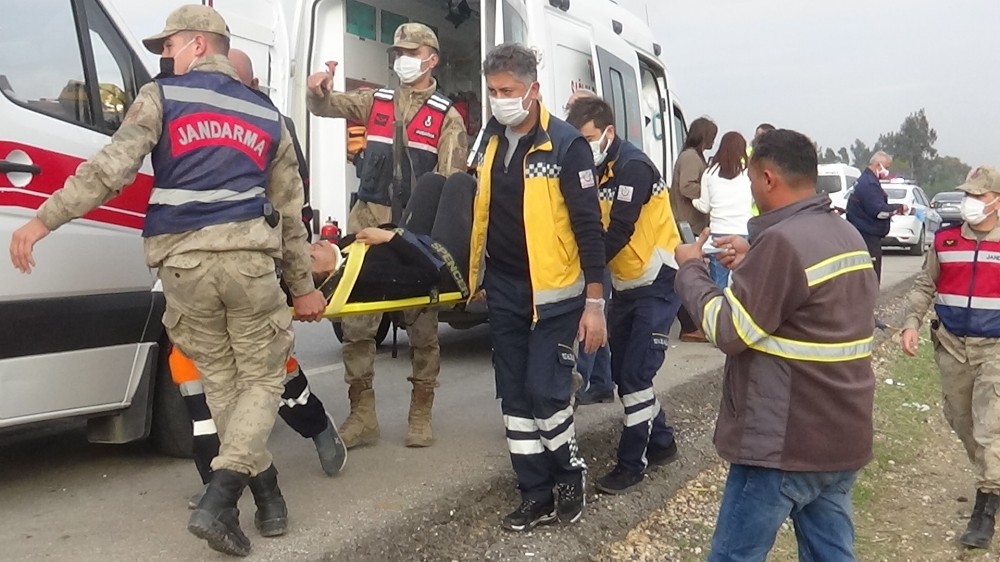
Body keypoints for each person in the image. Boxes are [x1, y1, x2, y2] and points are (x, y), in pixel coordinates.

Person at [8, 5, 327, 557]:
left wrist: (43, 220)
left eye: (170, 46)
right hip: (249, 264)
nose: (164, 56)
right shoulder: (268, 116)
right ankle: (220, 499)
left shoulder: (162, 97)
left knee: (225, 387)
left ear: (199, 45)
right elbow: (290, 215)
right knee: (261, 381)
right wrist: (302, 287)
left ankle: (270, 498)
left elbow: (113, 166)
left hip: (182, 265)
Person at [674, 129, 880, 561]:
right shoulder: (847, 236)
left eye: (751, 179)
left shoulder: (784, 244)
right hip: (839, 438)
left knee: (735, 555)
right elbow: (813, 308)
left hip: (783, 444)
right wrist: (754, 261)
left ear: (768, 179)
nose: (750, 188)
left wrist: (691, 270)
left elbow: (729, 331)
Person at [306, 23, 468, 449]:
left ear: (431, 58)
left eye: (410, 51)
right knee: (357, 326)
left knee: (423, 328)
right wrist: (318, 90)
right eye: (397, 52)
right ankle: (362, 416)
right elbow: (325, 107)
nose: (402, 59)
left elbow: (451, 183)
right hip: (365, 226)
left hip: (412, 233)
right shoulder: (375, 101)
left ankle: (420, 413)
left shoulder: (446, 116)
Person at [470, 43, 606, 532]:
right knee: (514, 398)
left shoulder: (567, 145)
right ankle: (534, 493)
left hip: (556, 294)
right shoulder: (489, 138)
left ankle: (570, 478)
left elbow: (591, 229)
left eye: (507, 91)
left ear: (534, 90)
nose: (499, 100)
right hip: (504, 287)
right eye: (492, 91)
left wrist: (595, 303)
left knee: (546, 394)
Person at [567, 96, 683, 494]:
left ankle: (631, 463)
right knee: (622, 375)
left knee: (635, 376)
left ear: (609, 133)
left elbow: (618, 231)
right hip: (628, 285)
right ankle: (662, 441)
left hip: (659, 282)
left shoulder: (632, 166)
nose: (585, 148)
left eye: (590, 139)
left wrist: (579, 271)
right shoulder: (595, 170)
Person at [900, 166, 1000, 549]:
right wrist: (911, 322)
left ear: (995, 200)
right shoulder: (945, 241)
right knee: (963, 423)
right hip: (953, 348)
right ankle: (993, 478)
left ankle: (985, 508)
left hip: (994, 350)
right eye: (967, 195)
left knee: (990, 428)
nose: (970, 202)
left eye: (977, 195)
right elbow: (926, 285)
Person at [563, 88, 613, 406]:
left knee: (590, 321)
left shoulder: (626, 164)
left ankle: (578, 385)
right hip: (597, 250)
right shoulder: (580, 157)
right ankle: (604, 383)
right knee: (600, 318)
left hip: (601, 252)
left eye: (589, 137)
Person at [669, 116, 718, 343]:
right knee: (687, 272)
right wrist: (710, 191)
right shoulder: (690, 157)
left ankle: (691, 325)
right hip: (686, 223)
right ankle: (689, 326)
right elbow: (686, 186)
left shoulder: (694, 156)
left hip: (691, 222)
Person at [694, 131, 753, 288]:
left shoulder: (709, 173)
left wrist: (691, 201)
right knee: (744, 284)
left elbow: (704, 206)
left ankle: (717, 312)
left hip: (718, 236)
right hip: (743, 234)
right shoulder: (748, 173)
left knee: (718, 284)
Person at [845, 151, 907, 281]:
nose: (887, 172)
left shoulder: (866, 180)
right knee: (870, 278)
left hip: (862, 234)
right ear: (878, 165)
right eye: (887, 167)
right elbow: (879, 211)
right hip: (867, 237)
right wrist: (899, 208)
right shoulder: (869, 184)